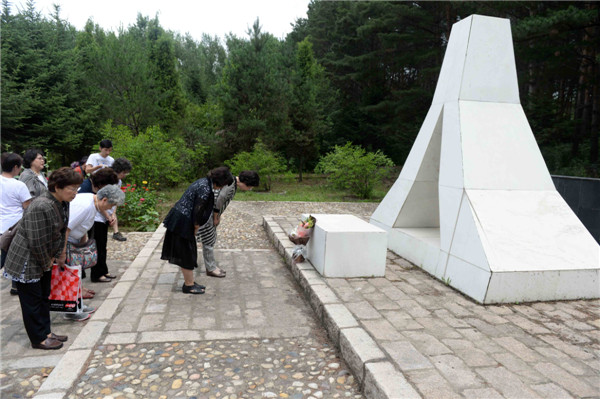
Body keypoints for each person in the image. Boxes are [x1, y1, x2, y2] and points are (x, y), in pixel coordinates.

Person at [3, 167, 82, 350]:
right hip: (27, 259)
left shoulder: (62, 202)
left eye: (77, 188)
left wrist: (58, 255)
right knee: (32, 301)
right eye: (72, 188)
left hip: (45, 257)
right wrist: (47, 260)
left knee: (44, 296)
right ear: (57, 187)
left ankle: (46, 332)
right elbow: (36, 240)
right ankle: (38, 338)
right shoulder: (41, 205)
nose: (75, 193)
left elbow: (63, 229)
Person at [161, 166, 233, 294]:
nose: (222, 188)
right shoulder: (205, 188)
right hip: (182, 222)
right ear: (220, 182)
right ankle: (189, 285)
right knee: (187, 253)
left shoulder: (204, 182)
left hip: (180, 218)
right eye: (223, 185)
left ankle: (190, 282)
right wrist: (195, 228)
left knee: (187, 252)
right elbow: (198, 211)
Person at [60, 185, 125, 321]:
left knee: (75, 274)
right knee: (69, 275)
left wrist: (82, 244)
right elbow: (65, 228)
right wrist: (62, 252)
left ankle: (78, 305)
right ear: (104, 200)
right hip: (65, 243)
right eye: (110, 206)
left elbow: (82, 227)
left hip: (74, 242)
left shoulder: (94, 204)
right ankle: (71, 311)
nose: (109, 210)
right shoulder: (85, 206)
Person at [196, 170, 259, 278]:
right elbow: (220, 199)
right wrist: (216, 216)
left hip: (207, 211)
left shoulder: (231, 181)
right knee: (208, 239)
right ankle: (210, 268)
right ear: (245, 182)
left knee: (206, 238)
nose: (250, 189)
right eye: (250, 187)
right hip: (207, 213)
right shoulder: (230, 185)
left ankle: (208, 266)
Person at [77, 168, 120, 283]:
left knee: (102, 246)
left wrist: (111, 215)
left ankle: (103, 270)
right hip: (94, 219)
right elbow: (97, 204)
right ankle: (96, 274)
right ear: (102, 183)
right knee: (96, 246)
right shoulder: (86, 187)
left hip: (101, 218)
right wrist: (107, 216)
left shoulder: (97, 186)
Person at [0, 153, 32, 295]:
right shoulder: (19, 185)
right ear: (15, 167)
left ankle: (15, 285)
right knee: (15, 255)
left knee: (6, 254)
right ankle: (16, 285)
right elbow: (27, 207)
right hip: (15, 226)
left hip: (1, 226)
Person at [106, 157, 132, 242]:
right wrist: (108, 215)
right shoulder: (106, 179)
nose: (124, 175)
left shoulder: (119, 181)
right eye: (123, 173)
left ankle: (116, 232)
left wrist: (113, 213)